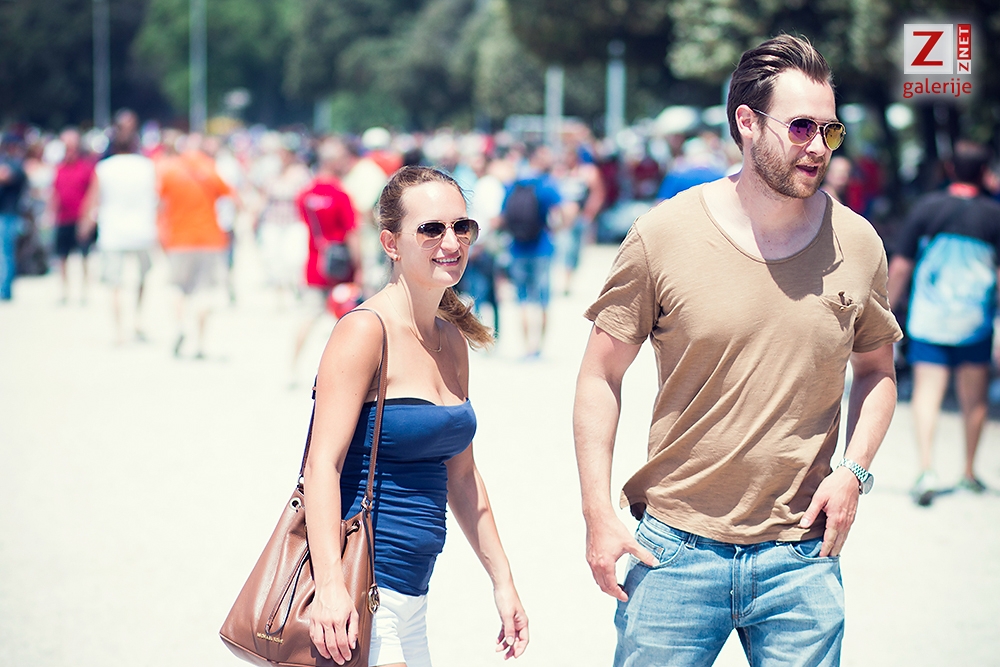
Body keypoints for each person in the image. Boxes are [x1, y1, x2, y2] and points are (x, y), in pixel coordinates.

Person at [573, 35, 901, 667]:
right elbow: (599, 376)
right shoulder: (663, 234)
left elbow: (877, 371)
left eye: (830, 131)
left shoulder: (859, 244)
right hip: (674, 553)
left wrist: (854, 471)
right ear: (746, 123)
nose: (818, 147)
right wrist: (597, 513)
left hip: (802, 559)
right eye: (801, 127)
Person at [303, 166, 528, 667]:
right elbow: (321, 466)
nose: (451, 242)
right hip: (363, 590)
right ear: (391, 243)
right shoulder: (364, 331)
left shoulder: (451, 339)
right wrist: (331, 589)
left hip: (414, 597)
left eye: (461, 227)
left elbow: (462, 475)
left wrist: (503, 581)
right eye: (431, 229)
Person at [887, 140, 1000, 506]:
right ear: (984, 172)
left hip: (929, 320)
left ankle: (926, 468)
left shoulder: (928, 207)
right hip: (975, 322)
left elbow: (901, 265)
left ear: (950, 169)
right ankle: (968, 472)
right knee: (974, 399)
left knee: (927, 393)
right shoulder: (994, 215)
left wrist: (884, 311)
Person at [290, 139, 363, 384]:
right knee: (347, 321)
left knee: (307, 316)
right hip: (341, 268)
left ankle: (293, 368)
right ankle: (347, 374)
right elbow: (352, 234)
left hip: (315, 264)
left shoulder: (305, 194)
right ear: (333, 162)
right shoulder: (341, 194)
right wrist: (360, 267)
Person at [156, 131, 233, 359]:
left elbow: (161, 204)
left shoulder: (169, 170)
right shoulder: (210, 168)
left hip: (179, 238)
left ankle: (180, 326)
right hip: (210, 238)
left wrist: (161, 235)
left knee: (176, 287)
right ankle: (200, 344)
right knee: (204, 291)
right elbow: (228, 196)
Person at [78, 132, 159, 344]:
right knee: (141, 279)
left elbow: (93, 199)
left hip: (112, 232)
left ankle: (118, 331)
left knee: (114, 284)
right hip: (143, 230)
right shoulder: (147, 166)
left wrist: (85, 225)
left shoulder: (104, 168)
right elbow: (157, 196)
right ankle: (137, 320)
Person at [500, 144, 562, 358]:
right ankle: (539, 348)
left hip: (517, 248)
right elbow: (559, 215)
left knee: (523, 300)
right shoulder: (546, 185)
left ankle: (526, 346)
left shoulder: (514, 185)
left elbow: (503, 216)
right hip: (542, 248)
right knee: (543, 300)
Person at [49, 128, 97, 303]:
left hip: (80, 218)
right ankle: (64, 291)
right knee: (62, 257)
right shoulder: (59, 168)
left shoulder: (86, 167)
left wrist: (88, 218)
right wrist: (50, 213)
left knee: (84, 256)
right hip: (63, 218)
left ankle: (85, 291)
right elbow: (55, 192)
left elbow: (93, 193)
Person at [0, 133, 28, 301]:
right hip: (6, 215)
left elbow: (5, 175)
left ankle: (4, 290)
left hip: (8, 215)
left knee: (5, 255)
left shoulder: (16, 165)